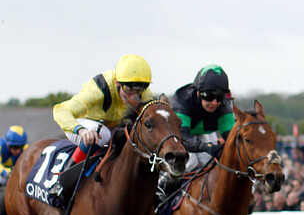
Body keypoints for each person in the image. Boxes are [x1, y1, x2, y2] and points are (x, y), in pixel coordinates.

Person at [49, 54, 155, 203]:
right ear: (117, 83)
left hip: (112, 128)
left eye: (139, 91)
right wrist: (81, 130)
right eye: (128, 89)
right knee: (102, 134)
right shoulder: (98, 90)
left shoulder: (146, 95)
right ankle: (60, 183)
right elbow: (60, 110)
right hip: (83, 125)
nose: (134, 96)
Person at [157, 65, 234, 201]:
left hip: (204, 133)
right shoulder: (183, 100)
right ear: (198, 92)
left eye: (219, 97)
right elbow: (184, 138)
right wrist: (207, 147)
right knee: (190, 162)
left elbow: (232, 137)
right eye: (209, 96)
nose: (215, 102)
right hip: (180, 135)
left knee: (209, 162)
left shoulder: (224, 106)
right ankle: (162, 185)